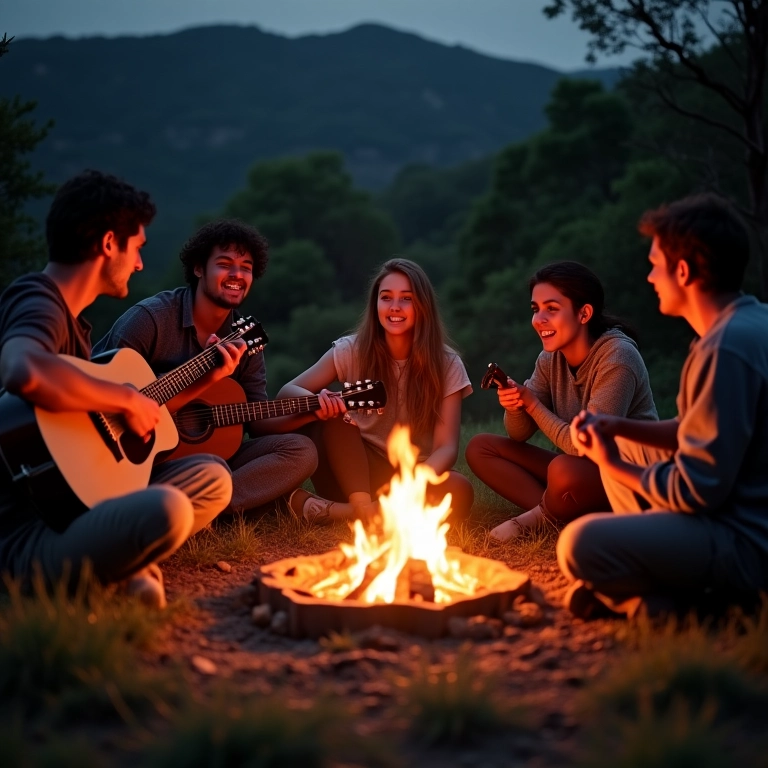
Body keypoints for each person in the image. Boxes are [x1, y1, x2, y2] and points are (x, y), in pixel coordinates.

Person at [0, 170, 233, 608]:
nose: (141, 263)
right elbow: (22, 369)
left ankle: (122, 563)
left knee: (213, 478)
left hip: (75, 506)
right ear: (109, 244)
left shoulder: (76, 327)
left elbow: (100, 427)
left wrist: (202, 381)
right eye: (138, 248)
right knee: (169, 509)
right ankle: (121, 566)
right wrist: (125, 397)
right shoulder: (37, 298)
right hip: (28, 539)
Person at [559, 193, 768, 619]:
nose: (650, 276)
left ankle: (695, 606)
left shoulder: (725, 349)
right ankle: (657, 580)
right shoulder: (748, 323)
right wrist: (617, 427)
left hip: (746, 538)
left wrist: (613, 463)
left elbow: (698, 490)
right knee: (629, 451)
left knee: (579, 543)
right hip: (740, 508)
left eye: (656, 264)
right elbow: (694, 429)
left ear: (684, 271)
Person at [93, 219, 318, 517]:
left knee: (300, 450)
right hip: (134, 461)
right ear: (199, 268)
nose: (237, 274)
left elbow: (256, 419)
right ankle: (207, 506)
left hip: (213, 462)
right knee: (211, 470)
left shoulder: (243, 339)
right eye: (225, 264)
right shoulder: (150, 320)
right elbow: (102, 394)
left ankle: (204, 509)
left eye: (246, 267)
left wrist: (310, 410)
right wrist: (204, 376)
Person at [465, 261, 658, 542]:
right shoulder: (549, 359)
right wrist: (515, 405)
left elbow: (586, 447)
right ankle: (557, 515)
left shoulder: (618, 357)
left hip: (625, 477)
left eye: (551, 309)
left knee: (563, 469)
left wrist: (532, 404)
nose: (539, 319)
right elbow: (518, 434)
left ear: (584, 313)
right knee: (480, 447)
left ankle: (535, 519)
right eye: (535, 309)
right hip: (573, 470)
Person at [277, 258, 474, 524]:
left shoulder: (447, 363)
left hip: (411, 475)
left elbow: (446, 448)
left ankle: (338, 513)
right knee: (336, 418)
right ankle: (363, 509)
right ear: (375, 304)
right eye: (386, 297)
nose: (395, 307)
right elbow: (287, 391)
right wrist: (317, 401)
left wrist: (411, 485)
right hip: (350, 472)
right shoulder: (351, 350)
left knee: (459, 490)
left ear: (422, 306)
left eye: (406, 298)